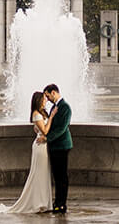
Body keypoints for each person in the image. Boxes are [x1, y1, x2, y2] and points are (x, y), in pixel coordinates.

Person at [0, 91, 53, 215]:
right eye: (44, 99)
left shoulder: (41, 114)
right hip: (40, 146)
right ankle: (38, 203)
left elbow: (39, 129)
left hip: (43, 145)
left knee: (43, 174)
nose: (46, 100)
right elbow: (46, 131)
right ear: (38, 100)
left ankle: (43, 202)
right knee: (38, 174)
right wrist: (51, 118)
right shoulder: (36, 114)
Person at [42, 83, 72, 213]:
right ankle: (58, 202)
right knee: (57, 176)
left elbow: (61, 128)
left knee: (62, 176)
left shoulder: (65, 107)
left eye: (48, 96)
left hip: (62, 146)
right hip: (55, 146)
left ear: (53, 92)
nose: (47, 99)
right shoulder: (55, 107)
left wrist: (47, 138)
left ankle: (61, 204)